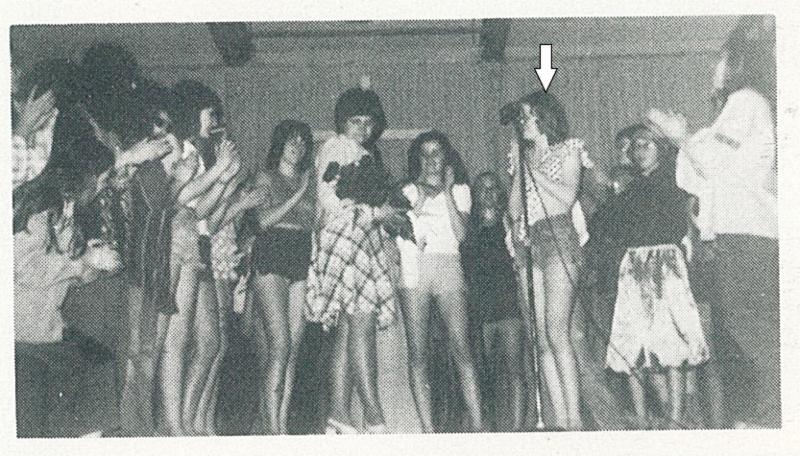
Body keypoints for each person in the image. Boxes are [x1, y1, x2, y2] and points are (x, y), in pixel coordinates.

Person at [647, 16, 778, 428]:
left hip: (746, 233)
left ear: (737, 63)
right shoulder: (738, 110)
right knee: (741, 330)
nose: (713, 69)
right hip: (739, 233)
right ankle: (762, 416)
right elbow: (696, 177)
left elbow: (713, 163)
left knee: (750, 329)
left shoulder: (746, 101)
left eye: (719, 60)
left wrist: (681, 138)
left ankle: (772, 416)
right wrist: (684, 139)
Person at [13, 106, 119, 437]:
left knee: (101, 369)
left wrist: (93, 265)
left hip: (48, 327)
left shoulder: (69, 209)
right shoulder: (41, 205)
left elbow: (70, 273)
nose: (104, 186)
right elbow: (23, 267)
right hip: (24, 332)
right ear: (85, 176)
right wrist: (82, 261)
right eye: (102, 178)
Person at [306, 85, 404, 434]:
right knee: (362, 327)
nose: (363, 128)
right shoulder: (337, 146)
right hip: (346, 240)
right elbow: (328, 199)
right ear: (342, 122)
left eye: (368, 122)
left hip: (358, 239)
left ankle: (338, 415)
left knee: (349, 331)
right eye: (355, 121)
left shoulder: (362, 152)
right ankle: (374, 416)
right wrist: (376, 213)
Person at [602, 124, 710, 429]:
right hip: (634, 266)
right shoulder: (630, 187)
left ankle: (676, 416)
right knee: (632, 338)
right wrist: (615, 192)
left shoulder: (674, 179)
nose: (639, 151)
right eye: (634, 146)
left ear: (660, 147)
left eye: (645, 144)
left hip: (664, 264)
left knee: (671, 336)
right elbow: (608, 225)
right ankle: (641, 417)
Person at [160, 80, 241, 435]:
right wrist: (219, 172)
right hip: (177, 242)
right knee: (179, 341)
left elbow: (201, 211)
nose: (214, 121)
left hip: (198, 243)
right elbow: (177, 200)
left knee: (209, 342)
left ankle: (189, 422)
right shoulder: (176, 147)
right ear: (192, 112)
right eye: (210, 113)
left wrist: (225, 180)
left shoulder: (197, 150)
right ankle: (174, 425)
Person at [506, 91, 584, 430]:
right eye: (521, 117)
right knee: (540, 337)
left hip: (558, 236)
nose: (522, 122)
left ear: (544, 117)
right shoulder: (524, 158)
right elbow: (513, 210)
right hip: (530, 241)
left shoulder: (568, 150)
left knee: (556, 330)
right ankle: (560, 420)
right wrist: (519, 170)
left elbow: (566, 198)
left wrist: (533, 172)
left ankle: (575, 418)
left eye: (528, 116)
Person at [395, 130, 483, 432]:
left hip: (448, 265)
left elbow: (461, 235)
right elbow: (402, 227)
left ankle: (478, 425)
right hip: (415, 268)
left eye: (437, 152)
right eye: (425, 153)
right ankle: (428, 432)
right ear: (417, 159)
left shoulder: (460, 190)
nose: (431, 159)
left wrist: (445, 193)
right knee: (417, 353)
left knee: (462, 347)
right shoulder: (406, 190)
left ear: (447, 156)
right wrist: (419, 195)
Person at [246, 120, 315, 434]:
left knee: (294, 349)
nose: (297, 146)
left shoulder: (309, 180)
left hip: (300, 254)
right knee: (280, 344)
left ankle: (280, 427)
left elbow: (313, 223)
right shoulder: (266, 176)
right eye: (291, 140)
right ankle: (272, 431)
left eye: (302, 142)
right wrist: (297, 194)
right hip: (272, 251)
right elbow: (261, 221)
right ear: (280, 144)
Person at [460, 171, 526, 431]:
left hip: (508, 304)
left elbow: (520, 259)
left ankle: (518, 429)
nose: (488, 194)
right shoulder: (467, 227)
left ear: (500, 193)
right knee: (482, 372)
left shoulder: (511, 222)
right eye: (482, 189)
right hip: (480, 307)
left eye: (493, 188)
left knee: (515, 370)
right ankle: (488, 428)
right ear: (474, 195)